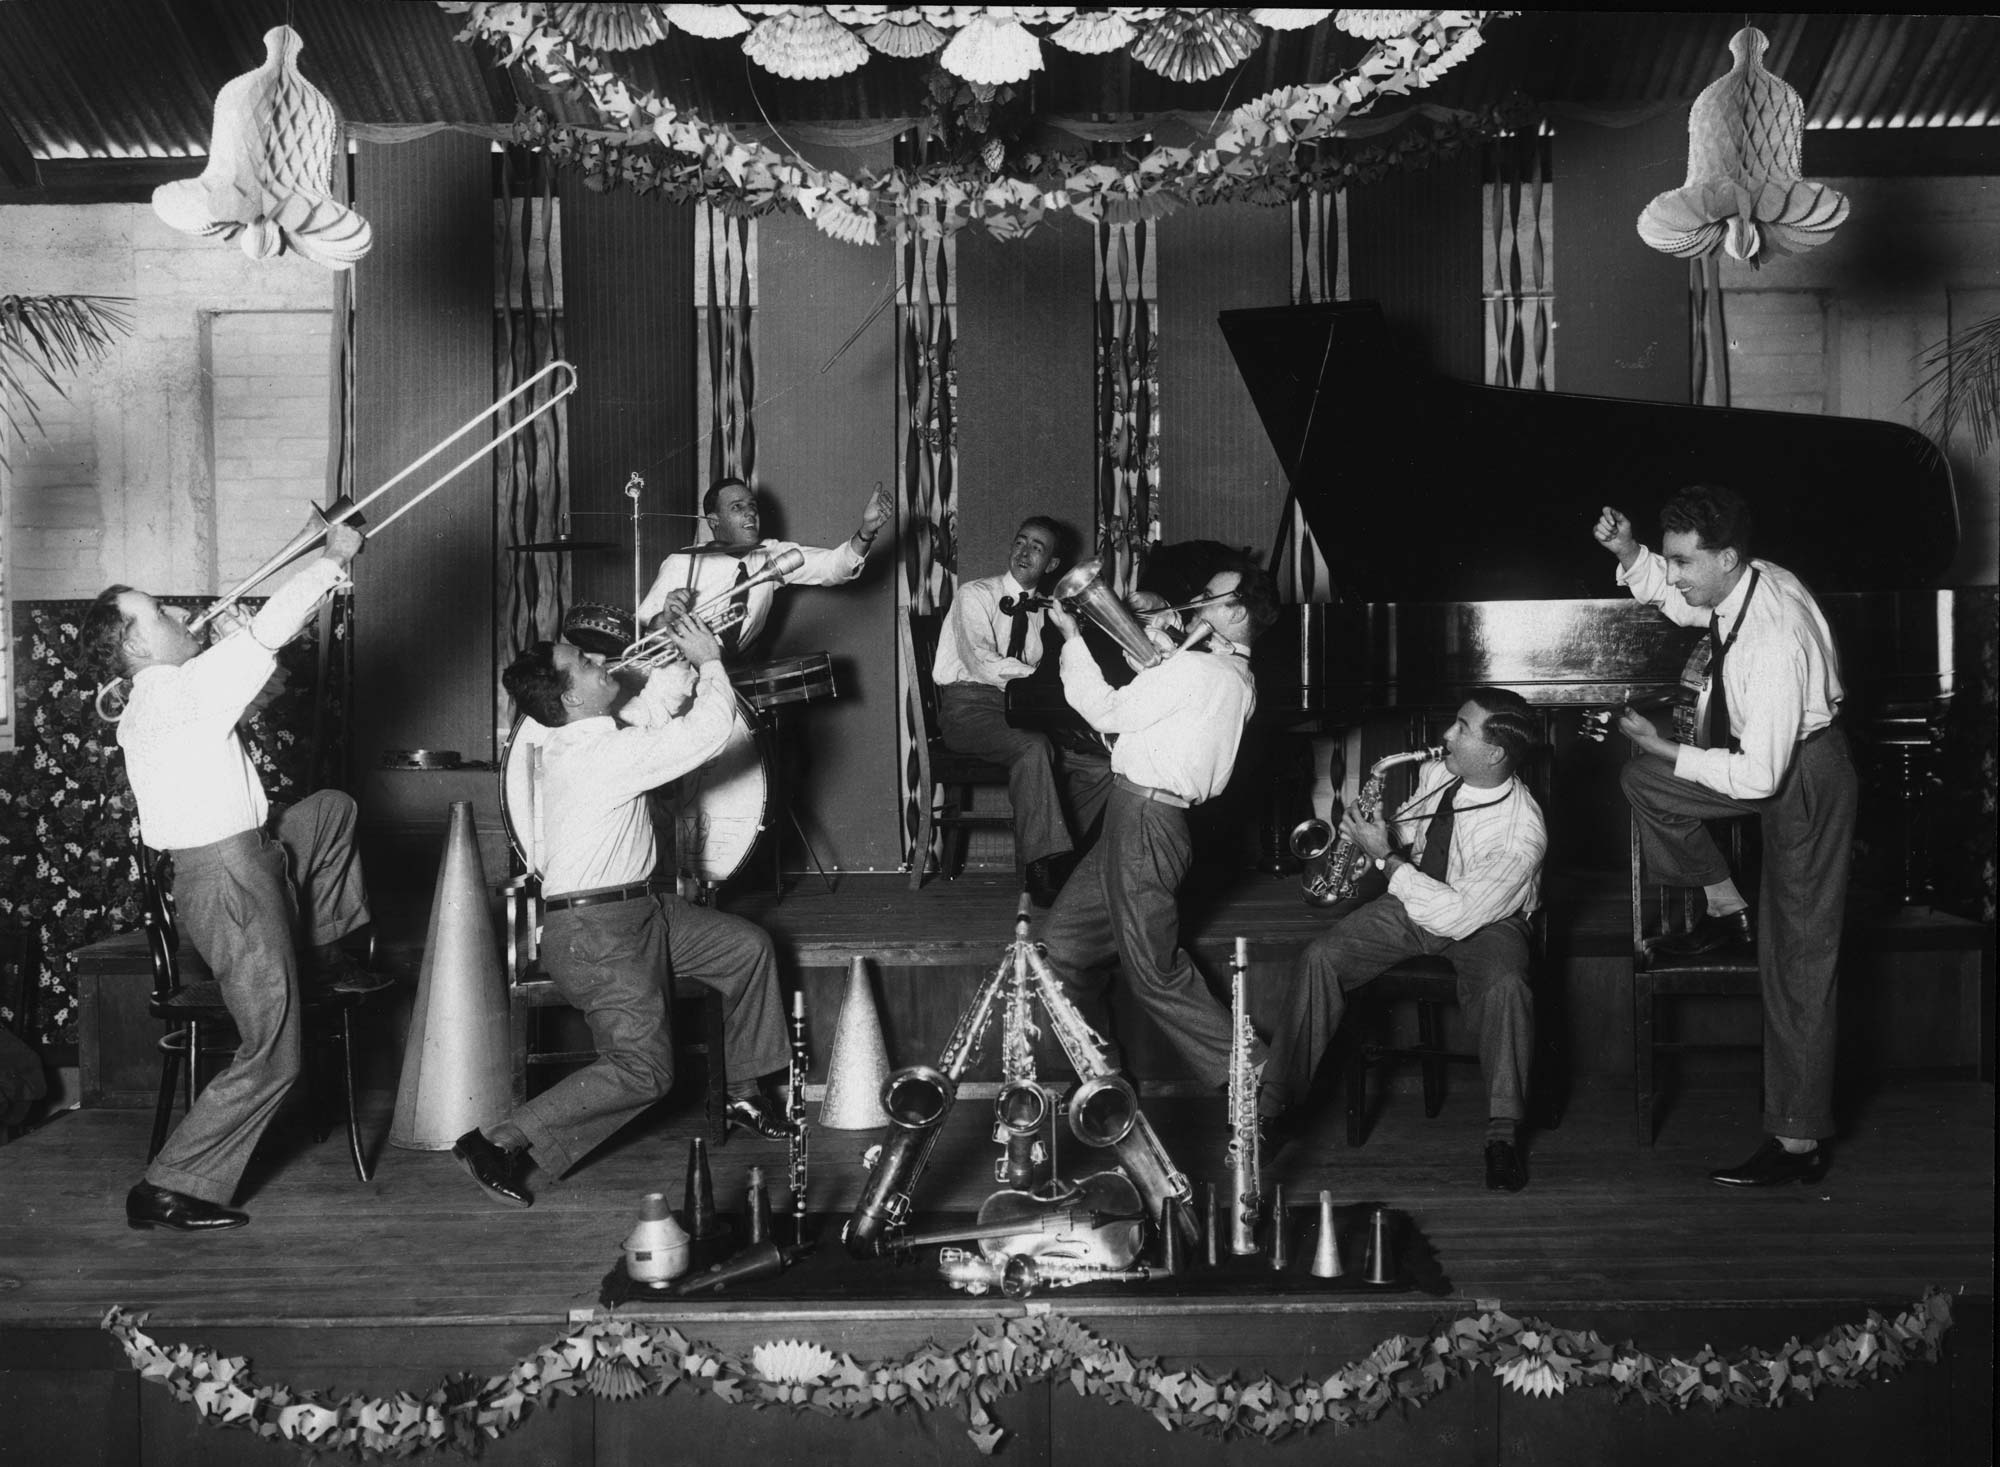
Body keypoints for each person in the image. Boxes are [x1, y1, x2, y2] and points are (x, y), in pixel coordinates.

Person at [78, 521, 374, 1233]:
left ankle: (319, 947)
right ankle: (168, 1185)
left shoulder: (167, 697)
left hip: (251, 860)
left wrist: (233, 648)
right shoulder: (171, 695)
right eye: (161, 613)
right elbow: (269, 634)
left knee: (329, 810)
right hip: (232, 882)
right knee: (276, 1050)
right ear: (138, 644)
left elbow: (244, 696)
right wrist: (329, 560)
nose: (182, 615)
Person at [452, 605, 791, 1209]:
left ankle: (742, 1086)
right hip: (596, 932)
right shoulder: (597, 756)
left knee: (747, 949)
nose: (603, 659)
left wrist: (679, 663)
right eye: (584, 663)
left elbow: (654, 711)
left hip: (642, 912)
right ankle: (497, 1139)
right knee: (645, 1071)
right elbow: (705, 734)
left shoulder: (587, 736)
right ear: (571, 698)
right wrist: (711, 660)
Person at [1596, 485, 1856, 1188]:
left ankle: (1799, 1142)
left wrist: (1664, 745)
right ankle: (1722, 901)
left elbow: (1761, 776)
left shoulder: (1772, 637)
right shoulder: (1742, 580)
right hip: (1773, 764)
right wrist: (1630, 554)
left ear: (1727, 557)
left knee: (1798, 960)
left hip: (1801, 777)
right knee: (1643, 781)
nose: (1674, 574)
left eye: (1683, 560)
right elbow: (1684, 602)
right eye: (1671, 559)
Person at [1257, 688, 1546, 1192]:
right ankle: (1272, 1108)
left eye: (1461, 727)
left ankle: (1503, 1135)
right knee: (1321, 957)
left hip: (1485, 920)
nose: (1446, 735)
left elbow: (1458, 916)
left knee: (1505, 988)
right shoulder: (1440, 773)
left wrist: (1385, 858)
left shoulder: (1521, 833)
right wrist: (1375, 832)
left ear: (1496, 753)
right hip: (1417, 897)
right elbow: (1414, 831)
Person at [1035, 557, 1278, 1091]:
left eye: (1209, 597)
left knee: (1156, 975)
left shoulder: (1201, 671)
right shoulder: (1235, 675)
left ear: (1236, 612)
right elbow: (1180, 691)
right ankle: (1100, 1079)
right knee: (1062, 950)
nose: (1197, 602)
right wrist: (1164, 638)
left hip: (1146, 819)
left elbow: (1105, 713)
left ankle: (1260, 1082)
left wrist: (1073, 636)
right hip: (1134, 817)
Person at [932, 516, 1113, 906]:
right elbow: (980, 659)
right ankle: (1040, 869)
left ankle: (1062, 858)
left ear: (1051, 565)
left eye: (1037, 547)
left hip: (1022, 709)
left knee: (1103, 765)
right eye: (1020, 542)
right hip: (970, 708)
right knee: (1032, 749)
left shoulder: (1050, 609)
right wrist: (1038, 681)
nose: (1024, 552)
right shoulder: (974, 594)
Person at [634, 478, 892, 658]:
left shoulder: (773, 554)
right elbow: (642, 639)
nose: (750, 514)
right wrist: (664, 619)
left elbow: (834, 567)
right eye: (737, 508)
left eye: (752, 506)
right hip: (683, 680)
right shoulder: (682, 563)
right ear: (714, 521)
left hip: (737, 679)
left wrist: (867, 532)